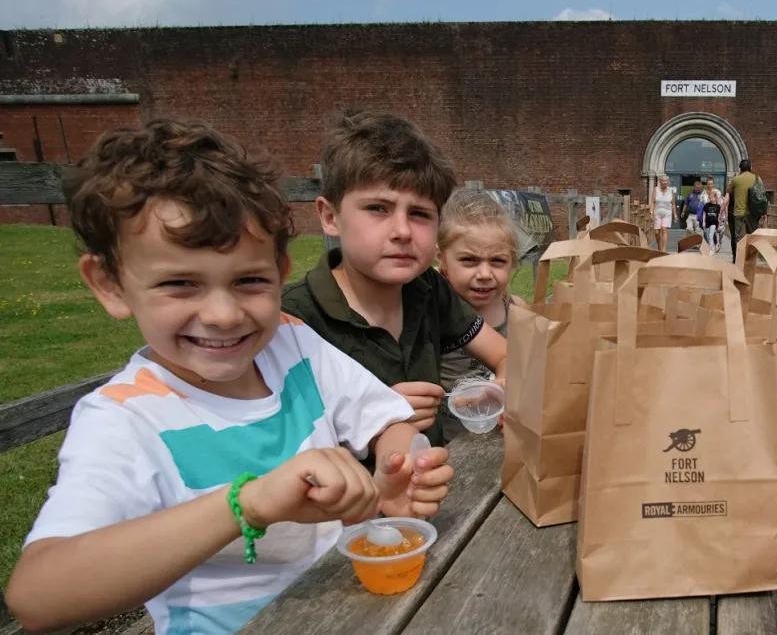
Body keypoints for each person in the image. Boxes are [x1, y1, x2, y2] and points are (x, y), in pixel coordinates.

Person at [4, 120, 453, 633]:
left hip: (347, 607)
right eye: (179, 283)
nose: (222, 314)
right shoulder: (124, 419)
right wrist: (249, 503)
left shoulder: (293, 343)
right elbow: (39, 596)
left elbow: (388, 418)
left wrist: (396, 471)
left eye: (248, 281)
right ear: (109, 284)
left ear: (281, 271)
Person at [282, 111, 507, 448]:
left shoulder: (429, 289)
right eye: (378, 208)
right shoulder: (293, 317)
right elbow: (277, 442)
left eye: (419, 214)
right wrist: (367, 413)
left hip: (436, 483)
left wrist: (498, 388)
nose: (402, 231)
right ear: (330, 217)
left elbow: (505, 355)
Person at [436, 189, 522, 440]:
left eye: (497, 261)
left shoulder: (516, 309)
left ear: (512, 263)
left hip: (501, 438)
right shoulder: (435, 312)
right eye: (469, 260)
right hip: (452, 443)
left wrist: (506, 383)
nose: (485, 274)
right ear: (442, 260)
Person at [726, 159, 760, 262]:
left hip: (739, 214)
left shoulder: (736, 180)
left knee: (739, 239)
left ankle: (738, 262)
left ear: (740, 168)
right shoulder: (757, 178)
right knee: (752, 238)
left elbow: (728, 193)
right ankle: (750, 261)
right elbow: (761, 194)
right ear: (750, 167)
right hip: (753, 214)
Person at [650, 174, 675, 251]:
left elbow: (673, 203)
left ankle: (663, 250)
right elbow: (653, 202)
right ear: (660, 181)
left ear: (668, 182)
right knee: (657, 232)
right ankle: (659, 247)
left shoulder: (671, 190)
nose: (664, 182)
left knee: (664, 229)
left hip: (667, 213)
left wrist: (675, 215)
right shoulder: (656, 189)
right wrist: (651, 212)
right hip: (657, 213)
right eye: (663, 181)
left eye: (666, 181)